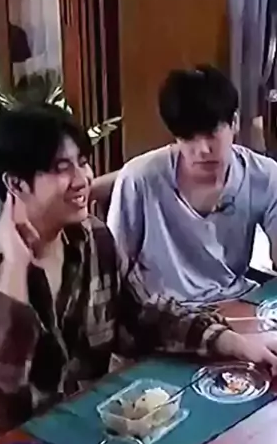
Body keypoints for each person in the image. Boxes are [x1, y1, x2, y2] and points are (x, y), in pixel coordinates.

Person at [0, 102, 277, 444]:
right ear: (16, 184)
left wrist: (236, 344)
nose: (83, 179)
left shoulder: (91, 239)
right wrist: (16, 267)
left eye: (82, 162)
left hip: (69, 427)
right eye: (62, 168)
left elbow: (146, 315)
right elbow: (8, 387)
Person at [106, 64, 277, 304]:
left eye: (212, 133)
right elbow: (114, 267)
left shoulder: (264, 175)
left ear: (235, 122)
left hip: (234, 302)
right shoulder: (139, 178)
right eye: (188, 138)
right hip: (162, 311)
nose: (203, 149)